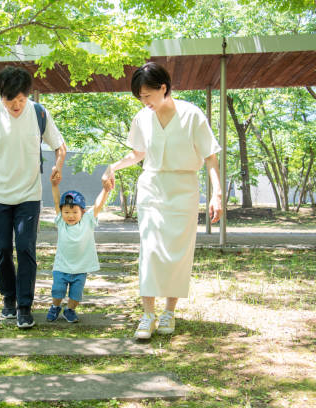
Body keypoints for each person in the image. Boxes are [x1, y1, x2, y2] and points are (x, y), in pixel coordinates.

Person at [101, 62, 223, 339]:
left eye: (147, 96)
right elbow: (138, 153)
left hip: (184, 188)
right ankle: (147, 315)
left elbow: (210, 157)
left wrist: (216, 193)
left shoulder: (192, 115)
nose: (144, 102)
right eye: (140, 98)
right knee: (151, 249)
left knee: (178, 252)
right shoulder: (142, 118)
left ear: (163, 88)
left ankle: (169, 312)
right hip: (152, 187)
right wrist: (113, 166)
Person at [0, 66, 67, 329]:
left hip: (29, 195)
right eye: (10, 100)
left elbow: (60, 146)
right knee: (2, 250)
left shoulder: (39, 112)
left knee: (25, 248)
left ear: (28, 95)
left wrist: (58, 166)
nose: (16, 105)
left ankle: (25, 306)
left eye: (21, 99)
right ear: (0, 95)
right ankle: (8, 301)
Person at [46, 175, 112, 323]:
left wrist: (105, 190)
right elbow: (57, 201)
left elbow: (97, 205)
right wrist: (54, 185)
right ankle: (55, 307)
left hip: (80, 268)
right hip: (62, 266)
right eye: (67, 212)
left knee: (76, 295)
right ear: (61, 212)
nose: (70, 216)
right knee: (57, 291)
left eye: (75, 212)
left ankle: (69, 310)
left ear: (82, 212)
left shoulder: (88, 221)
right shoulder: (61, 223)